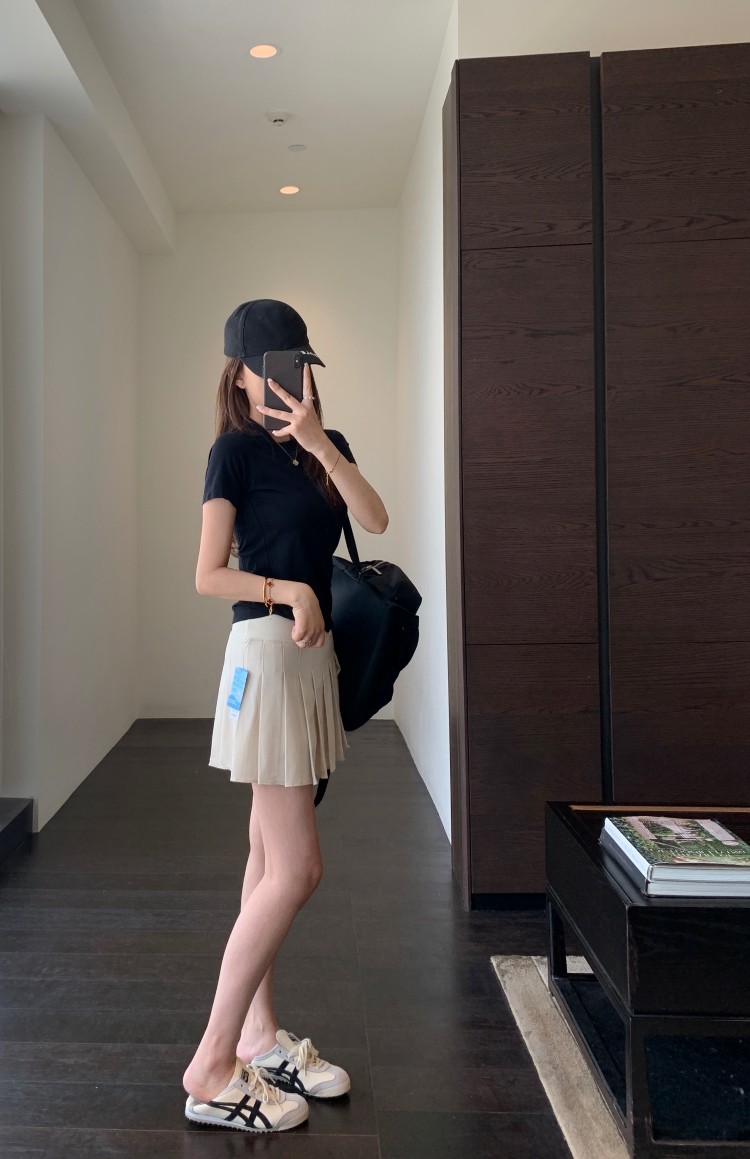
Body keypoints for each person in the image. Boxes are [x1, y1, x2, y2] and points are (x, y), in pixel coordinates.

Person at [183, 299, 389, 1133]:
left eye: (298, 363)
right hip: (266, 657)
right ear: (239, 375)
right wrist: (289, 589)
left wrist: (319, 444)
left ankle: (259, 1037)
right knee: (298, 869)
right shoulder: (231, 452)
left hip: (310, 665)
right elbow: (208, 574)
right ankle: (212, 1062)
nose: (287, 379)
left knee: (267, 851)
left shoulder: (324, 448)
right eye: (269, 366)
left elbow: (374, 519)